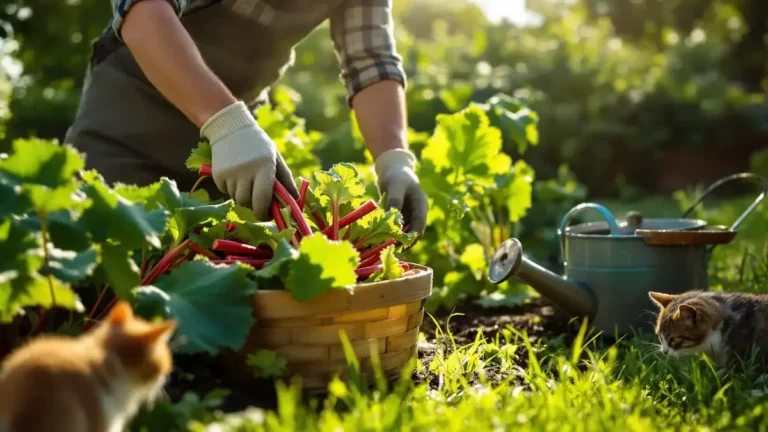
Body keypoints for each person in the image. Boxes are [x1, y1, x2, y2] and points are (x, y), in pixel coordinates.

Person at [64, 0, 428, 234]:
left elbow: (372, 62)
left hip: (234, 148)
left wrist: (394, 161)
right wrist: (225, 126)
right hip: (129, 123)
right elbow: (144, 10)